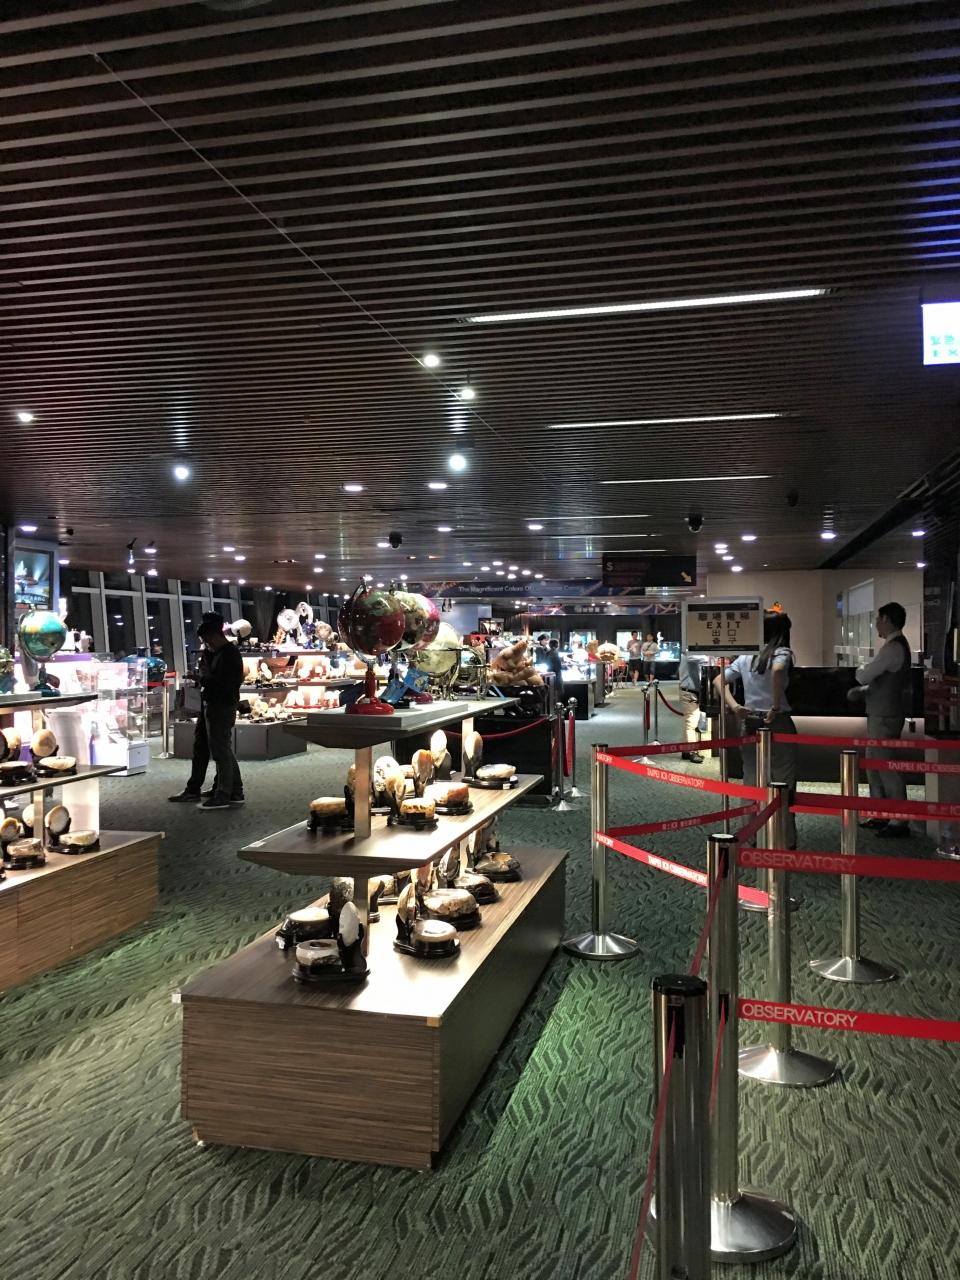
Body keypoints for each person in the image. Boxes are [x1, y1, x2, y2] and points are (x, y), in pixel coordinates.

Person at [714, 611, 799, 848]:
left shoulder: (747, 656)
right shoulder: (782, 653)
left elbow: (718, 680)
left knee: (751, 778)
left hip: (750, 720)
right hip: (777, 720)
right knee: (782, 779)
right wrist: (775, 704)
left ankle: (752, 836)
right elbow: (778, 670)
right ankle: (783, 838)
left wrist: (735, 706)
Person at [169, 611, 245, 810]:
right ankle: (226, 790)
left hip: (221, 705)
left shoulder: (229, 654)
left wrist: (202, 679)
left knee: (221, 749)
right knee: (207, 747)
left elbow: (225, 684)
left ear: (214, 634)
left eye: (207, 640)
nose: (206, 644)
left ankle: (226, 793)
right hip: (210, 703)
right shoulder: (213, 653)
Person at [853, 601, 911, 839]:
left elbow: (864, 675)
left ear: (886, 619)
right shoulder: (895, 646)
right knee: (875, 765)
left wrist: (860, 669)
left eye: (878, 619)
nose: (876, 624)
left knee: (887, 767)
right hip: (882, 713)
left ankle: (899, 818)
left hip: (885, 716)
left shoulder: (893, 649)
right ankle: (881, 813)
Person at [677, 651, 705, 764]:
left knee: (688, 722)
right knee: (691, 724)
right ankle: (692, 752)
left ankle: (686, 750)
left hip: (690, 692)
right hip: (689, 693)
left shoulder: (689, 653)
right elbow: (703, 659)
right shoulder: (689, 653)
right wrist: (714, 654)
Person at [543, 639, 565, 704]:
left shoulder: (547, 653)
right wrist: (563, 666)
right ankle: (557, 705)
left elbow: (545, 662)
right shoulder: (555, 652)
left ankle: (553, 704)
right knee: (559, 691)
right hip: (557, 674)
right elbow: (558, 665)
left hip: (549, 674)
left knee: (551, 692)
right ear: (556, 645)